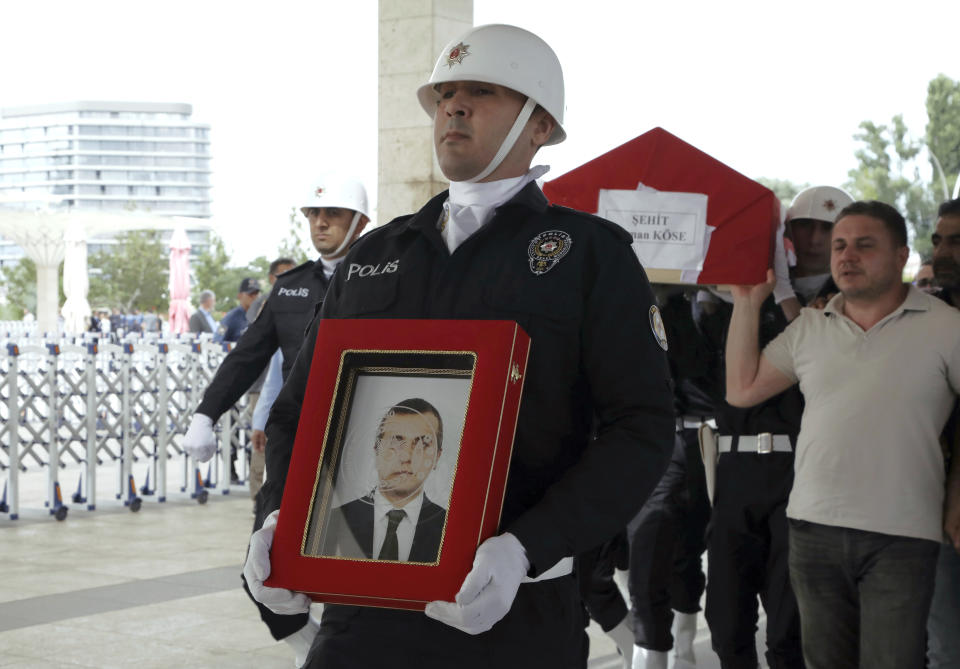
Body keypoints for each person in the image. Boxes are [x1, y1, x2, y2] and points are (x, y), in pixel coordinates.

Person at [242, 23, 674, 669]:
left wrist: (528, 546)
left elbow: (641, 427)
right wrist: (279, 515)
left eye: (483, 91)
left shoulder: (588, 256)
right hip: (363, 614)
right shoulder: (375, 255)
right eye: (444, 93)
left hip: (513, 614)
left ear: (540, 125)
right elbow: (299, 411)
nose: (454, 106)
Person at [726, 200, 960, 669]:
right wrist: (748, 304)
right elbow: (742, 389)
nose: (846, 256)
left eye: (864, 245)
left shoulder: (947, 327)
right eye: (840, 246)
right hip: (812, 530)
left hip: (903, 535)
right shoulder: (810, 326)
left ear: (901, 256)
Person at [181, 178, 370, 662]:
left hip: (368, 442)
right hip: (298, 445)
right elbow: (247, 356)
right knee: (262, 566)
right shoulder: (289, 289)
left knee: (366, 570)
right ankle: (311, 651)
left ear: (361, 220)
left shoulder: (388, 273)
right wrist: (206, 412)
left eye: (332, 213)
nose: (320, 223)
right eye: (312, 214)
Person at [703, 185, 851, 669]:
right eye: (803, 225)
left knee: (789, 630)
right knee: (726, 623)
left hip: (801, 471)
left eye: (826, 228)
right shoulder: (738, 292)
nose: (812, 237)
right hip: (735, 465)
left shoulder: (850, 303)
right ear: (784, 232)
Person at [318, 399, 447, 562]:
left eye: (422, 444)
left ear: (437, 458)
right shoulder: (329, 523)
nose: (406, 456)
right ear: (376, 451)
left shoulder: (454, 532)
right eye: (395, 442)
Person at [927, 197, 960, 669]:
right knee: (945, 647)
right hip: (927, 511)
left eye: (956, 241)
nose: (941, 252)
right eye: (937, 240)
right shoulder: (922, 318)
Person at [247, 258, 297, 503]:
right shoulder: (264, 305)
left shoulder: (303, 303)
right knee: (261, 454)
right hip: (263, 389)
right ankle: (259, 505)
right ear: (271, 279)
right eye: (283, 276)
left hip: (290, 396)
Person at [216, 278, 261, 343]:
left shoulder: (260, 316)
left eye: (256, 294)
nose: (254, 297)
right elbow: (217, 340)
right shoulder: (229, 318)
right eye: (250, 294)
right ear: (239, 296)